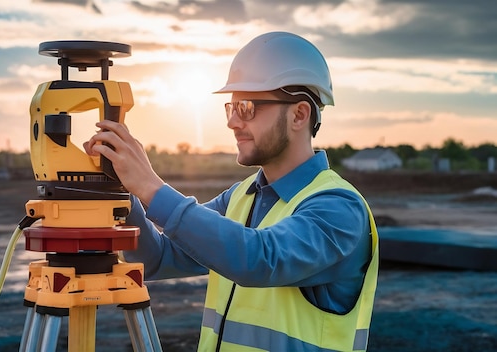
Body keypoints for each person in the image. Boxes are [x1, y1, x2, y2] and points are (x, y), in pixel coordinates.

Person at [84, 31, 379, 352]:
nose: (233, 122)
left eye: (248, 108)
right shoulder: (242, 197)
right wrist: (123, 191)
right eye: (232, 107)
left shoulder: (339, 208)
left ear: (299, 114)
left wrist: (152, 187)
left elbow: (259, 259)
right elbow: (157, 259)